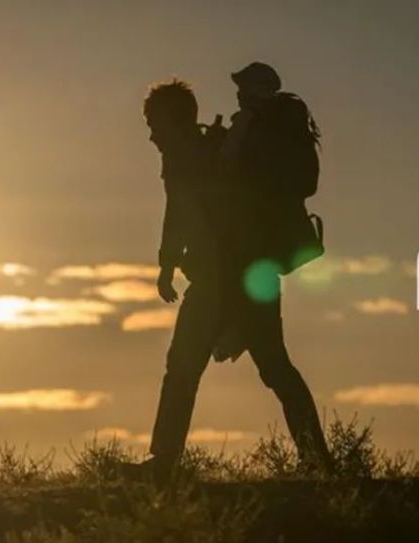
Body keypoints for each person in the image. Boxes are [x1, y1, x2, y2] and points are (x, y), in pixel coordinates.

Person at [128, 66, 332, 482]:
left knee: (208, 368)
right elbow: (178, 217)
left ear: (176, 119)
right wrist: (167, 264)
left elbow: (185, 216)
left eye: (154, 124)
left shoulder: (210, 156)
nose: (151, 134)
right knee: (256, 368)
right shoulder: (194, 155)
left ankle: (165, 463)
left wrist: (170, 265)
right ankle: (317, 461)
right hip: (234, 281)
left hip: (233, 282)